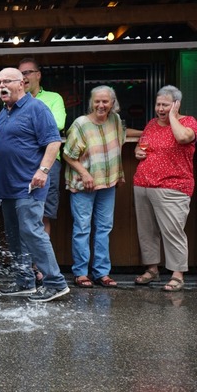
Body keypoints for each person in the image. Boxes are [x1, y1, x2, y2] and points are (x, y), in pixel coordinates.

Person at [0, 67, 69, 303]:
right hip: (7, 185)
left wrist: (43, 170)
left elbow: (54, 142)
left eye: (7, 81)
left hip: (29, 184)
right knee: (15, 235)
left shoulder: (36, 108)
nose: (1, 86)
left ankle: (55, 283)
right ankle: (24, 281)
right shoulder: (4, 113)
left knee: (32, 232)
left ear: (21, 84)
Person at [133, 86, 197, 292]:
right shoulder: (152, 124)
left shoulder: (188, 122)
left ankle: (177, 275)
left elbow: (182, 138)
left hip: (173, 186)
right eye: (158, 104)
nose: (160, 109)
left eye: (165, 105)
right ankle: (152, 269)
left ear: (176, 104)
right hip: (143, 184)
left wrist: (172, 117)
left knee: (172, 231)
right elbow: (143, 145)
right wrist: (138, 151)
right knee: (147, 231)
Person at [63, 85, 125, 288]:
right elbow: (68, 155)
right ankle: (81, 273)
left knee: (104, 228)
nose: (101, 105)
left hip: (107, 183)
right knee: (82, 228)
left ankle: (101, 272)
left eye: (105, 101)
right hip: (84, 185)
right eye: (97, 101)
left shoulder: (115, 120)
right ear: (91, 102)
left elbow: (122, 137)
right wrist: (85, 173)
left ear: (112, 103)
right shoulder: (81, 124)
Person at [18, 58, 66, 285]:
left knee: (43, 215)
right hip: (21, 165)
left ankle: (40, 267)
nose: (24, 77)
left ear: (39, 75)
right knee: (23, 215)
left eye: (28, 72)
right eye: (21, 74)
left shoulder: (53, 98)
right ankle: (26, 267)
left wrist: (24, 127)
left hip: (47, 165)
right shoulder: (14, 100)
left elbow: (56, 124)